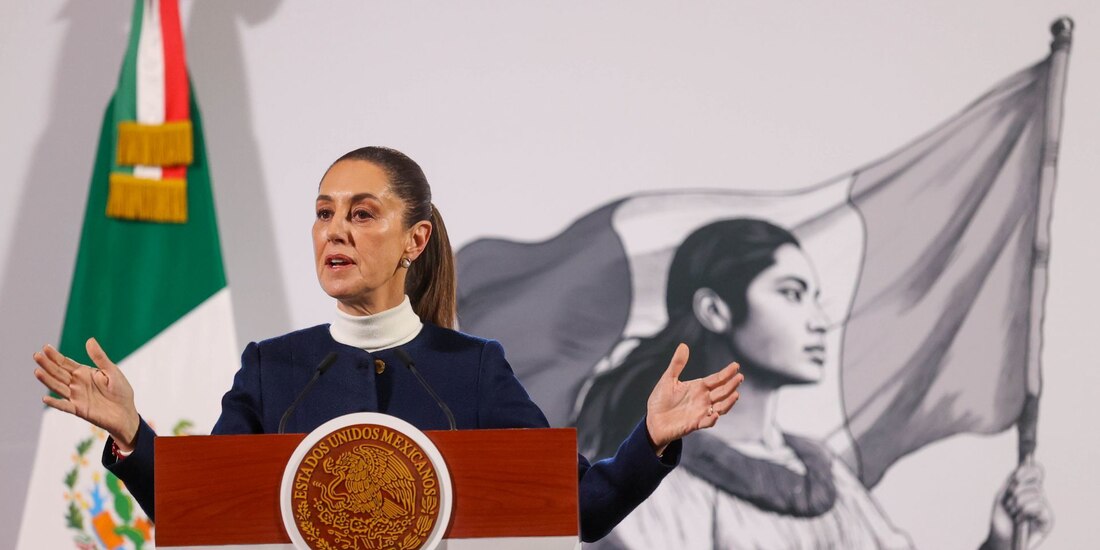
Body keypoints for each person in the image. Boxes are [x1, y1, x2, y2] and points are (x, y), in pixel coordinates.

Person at [31, 146, 744, 543]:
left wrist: (649, 438)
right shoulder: (271, 369)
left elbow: (578, 509)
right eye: (322, 214)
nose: (334, 231)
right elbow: (209, 515)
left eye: (361, 214)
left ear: (415, 239)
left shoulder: (473, 370)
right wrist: (132, 433)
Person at [575, 218, 1053, 549]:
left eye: (815, 298)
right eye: (791, 294)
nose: (820, 321)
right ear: (715, 310)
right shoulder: (663, 481)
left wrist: (1000, 542)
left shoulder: (824, 474)